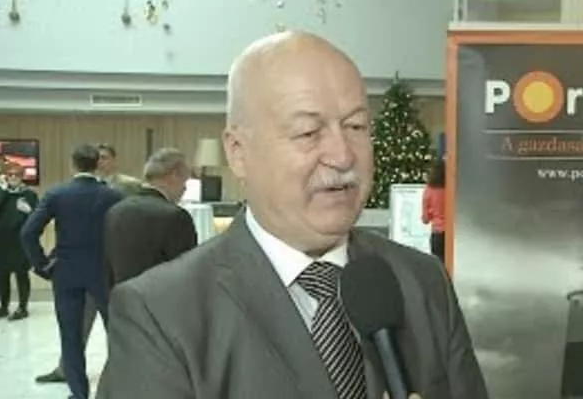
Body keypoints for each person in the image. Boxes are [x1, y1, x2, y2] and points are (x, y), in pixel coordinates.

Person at [96, 31, 488, 399]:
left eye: (356, 126)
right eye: (308, 132)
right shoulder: (160, 312)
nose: (343, 155)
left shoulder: (423, 281)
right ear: (238, 152)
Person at [34, 143, 143, 384]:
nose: (101, 161)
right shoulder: (74, 191)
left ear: (113, 160)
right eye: (98, 157)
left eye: (105, 157)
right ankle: (66, 370)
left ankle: (123, 377)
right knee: (77, 327)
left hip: (108, 268)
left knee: (116, 327)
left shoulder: (129, 186)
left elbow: (133, 223)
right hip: (79, 268)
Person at [21, 144, 123, 399]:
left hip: (66, 271)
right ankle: (118, 390)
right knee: (117, 334)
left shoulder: (57, 194)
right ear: (96, 164)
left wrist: (43, 265)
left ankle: (78, 394)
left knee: (70, 335)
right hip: (103, 270)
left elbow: (28, 233)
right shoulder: (113, 196)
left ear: (73, 164)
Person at [104, 147, 197, 289]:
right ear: (174, 175)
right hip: (162, 299)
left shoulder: (115, 211)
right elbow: (186, 272)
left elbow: (107, 268)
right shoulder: (176, 217)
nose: (185, 189)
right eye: (185, 182)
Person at [0, 163, 38, 320]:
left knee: (21, 275)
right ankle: (4, 307)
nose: (13, 177)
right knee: (2, 276)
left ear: (22, 177)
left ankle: (23, 307)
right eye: (10, 174)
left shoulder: (29, 194)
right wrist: (3, 190)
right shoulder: (2, 193)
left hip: (20, 243)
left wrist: (29, 211)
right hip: (2, 242)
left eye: (17, 174)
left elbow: (38, 218)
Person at [421, 158, 446, 264]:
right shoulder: (451, 189)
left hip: (437, 232)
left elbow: (425, 219)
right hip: (452, 233)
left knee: (438, 264)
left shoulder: (429, 190)